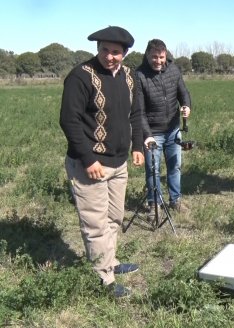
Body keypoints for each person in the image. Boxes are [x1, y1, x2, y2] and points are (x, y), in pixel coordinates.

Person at [60, 26, 144, 298]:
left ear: (125, 53)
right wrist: (88, 158)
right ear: (98, 49)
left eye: (116, 52)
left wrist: (138, 145)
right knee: (95, 223)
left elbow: (136, 114)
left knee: (114, 218)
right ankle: (103, 280)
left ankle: (111, 261)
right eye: (104, 50)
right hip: (91, 164)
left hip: (118, 163)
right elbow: (69, 121)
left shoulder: (130, 76)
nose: (109, 56)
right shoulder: (81, 77)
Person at [135, 39, 192, 214]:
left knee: (174, 167)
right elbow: (139, 110)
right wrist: (147, 134)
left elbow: (184, 93)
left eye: (161, 57)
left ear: (165, 55)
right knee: (153, 169)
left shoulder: (173, 70)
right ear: (147, 55)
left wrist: (186, 106)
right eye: (154, 57)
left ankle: (175, 200)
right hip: (153, 133)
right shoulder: (139, 75)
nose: (158, 61)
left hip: (173, 129)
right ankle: (154, 204)